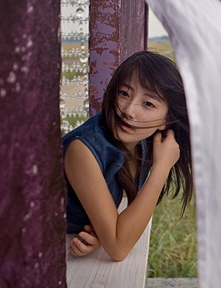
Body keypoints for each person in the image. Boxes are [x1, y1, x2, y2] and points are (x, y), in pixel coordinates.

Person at [63, 51, 193, 261]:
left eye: (148, 103)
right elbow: (118, 249)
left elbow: (114, 234)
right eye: (124, 93)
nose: (129, 111)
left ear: (166, 120)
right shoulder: (83, 149)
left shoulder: (144, 141)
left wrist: (104, 233)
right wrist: (161, 168)